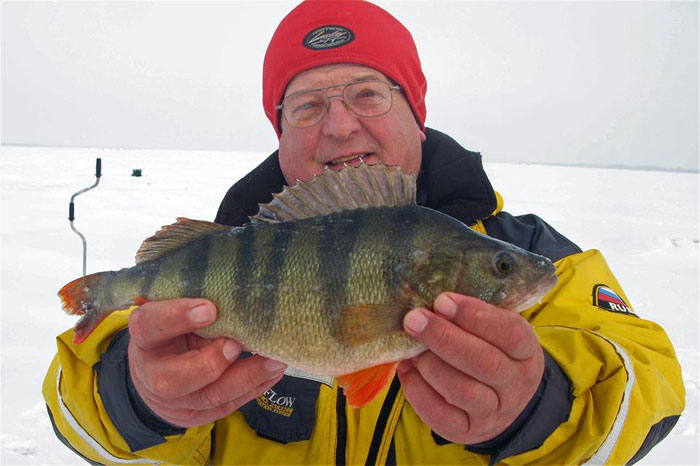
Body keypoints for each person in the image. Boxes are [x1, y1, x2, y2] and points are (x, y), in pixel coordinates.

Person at [43, 1, 685, 464]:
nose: (340, 125)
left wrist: (538, 410)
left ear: (416, 111)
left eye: (367, 94)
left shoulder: (537, 254)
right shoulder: (223, 252)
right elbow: (75, 414)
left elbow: (648, 386)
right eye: (308, 105)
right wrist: (136, 397)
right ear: (282, 129)